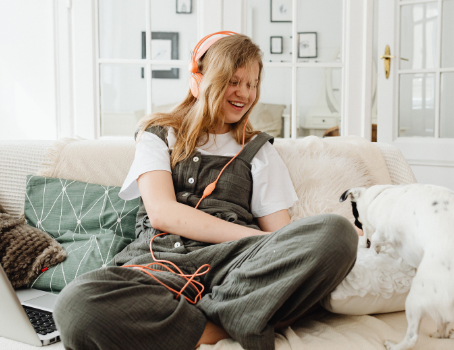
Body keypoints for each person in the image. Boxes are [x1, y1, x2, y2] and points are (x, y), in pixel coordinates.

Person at [53, 32, 358, 350]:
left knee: (336, 233)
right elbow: (163, 212)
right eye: (233, 81)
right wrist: (256, 240)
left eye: (252, 84)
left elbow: (280, 236)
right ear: (197, 80)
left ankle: (208, 317)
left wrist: (285, 244)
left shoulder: (260, 151)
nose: (245, 93)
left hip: (236, 269)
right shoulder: (159, 135)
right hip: (158, 264)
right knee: (75, 306)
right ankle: (226, 324)